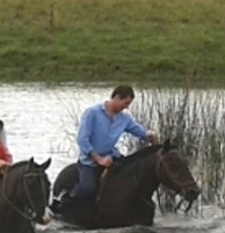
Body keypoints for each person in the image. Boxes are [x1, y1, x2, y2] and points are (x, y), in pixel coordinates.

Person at [54, 84, 157, 212]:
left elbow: (137, 130)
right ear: (117, 97)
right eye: (125, 103)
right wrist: (98, 159)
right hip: (90, 160)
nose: (126, 107)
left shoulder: (125, 118)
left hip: (112, 156)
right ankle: (65, 199)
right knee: (89, 189)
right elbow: (82, 140)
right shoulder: (92, 113)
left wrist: (148, 135)